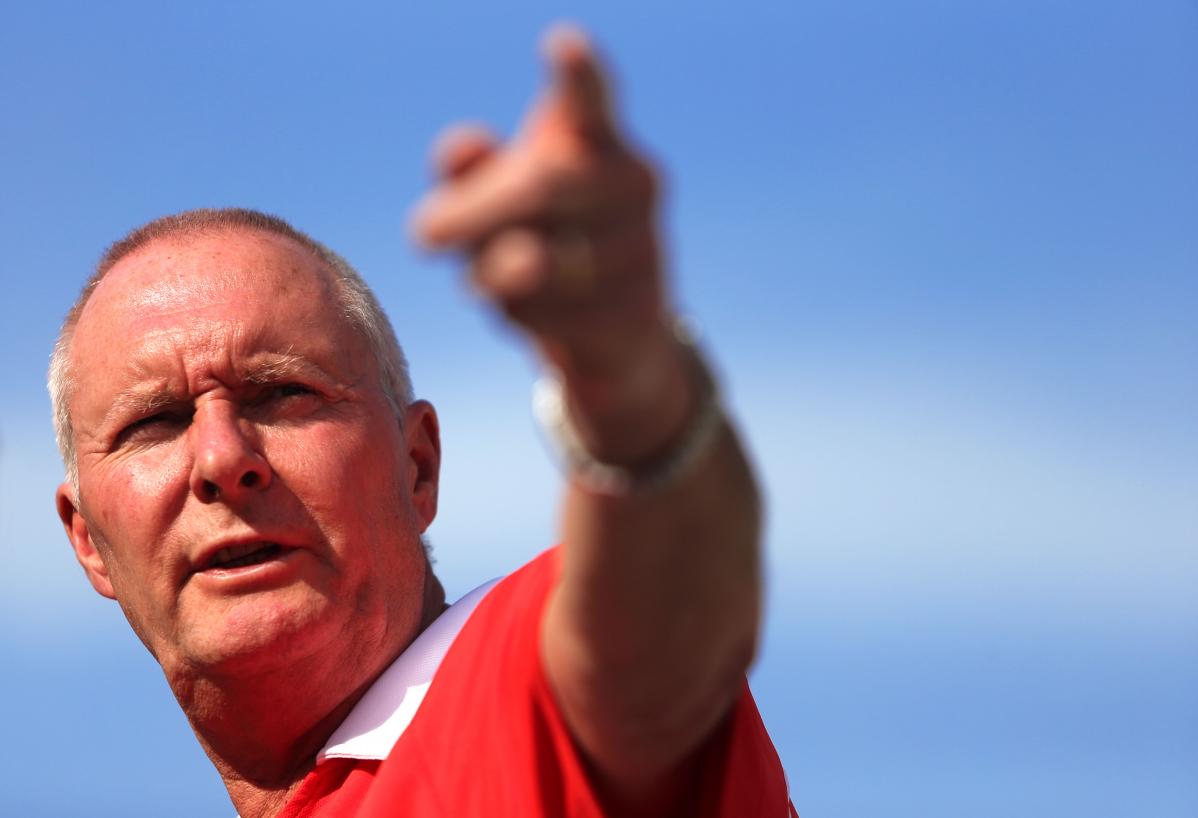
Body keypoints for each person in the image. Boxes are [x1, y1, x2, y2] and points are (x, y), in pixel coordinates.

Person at [49, 26, 796, 818]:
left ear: (418, 467)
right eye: (157, 422)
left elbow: (668, 607)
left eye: (283, 394)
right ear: (88, 540)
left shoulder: (531, 686)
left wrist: (632, 389)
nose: (223, 457)